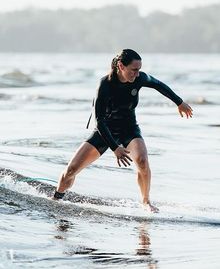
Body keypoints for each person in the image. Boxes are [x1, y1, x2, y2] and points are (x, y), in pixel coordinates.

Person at [53, 49, 193, 212]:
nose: (137, 73)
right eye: (134, 69)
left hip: (129, 129)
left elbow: (158, 85)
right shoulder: (105, 85)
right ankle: (57, 198)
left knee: (142, 160)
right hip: (104, 130)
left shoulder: (139, 79)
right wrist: (115, 148)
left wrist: (179, 102)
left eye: (139, 69)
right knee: (71, 170)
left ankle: (146, 201)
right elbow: (99, 121)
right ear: (121, 66)